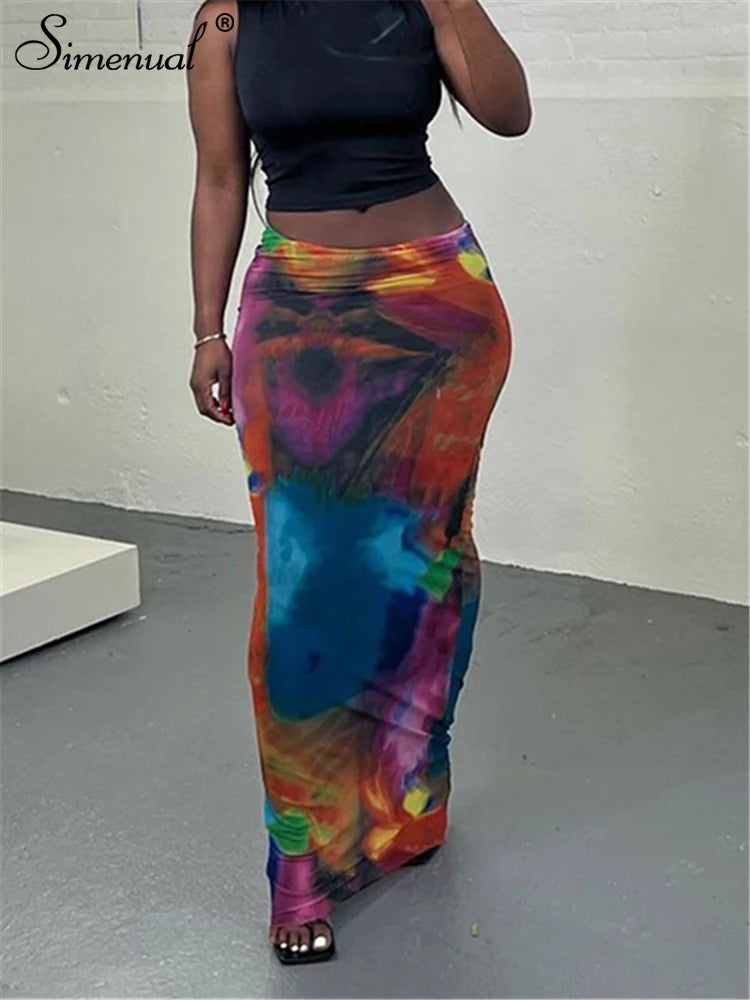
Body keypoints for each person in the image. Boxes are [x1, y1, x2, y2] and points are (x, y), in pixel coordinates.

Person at [186, 0, 531, 965]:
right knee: (300, 590)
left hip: (439, 308)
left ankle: (404, 805)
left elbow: (509, 113)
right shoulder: (228, 22)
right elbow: (220, 179)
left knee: (427, 570)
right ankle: (299, 863)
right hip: (298, 310)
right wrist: (207, 329)